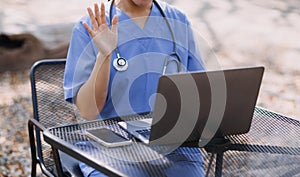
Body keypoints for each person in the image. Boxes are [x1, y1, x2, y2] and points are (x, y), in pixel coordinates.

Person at [64, 0, 205, 176]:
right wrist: (104, 55)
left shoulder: (177, 21)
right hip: (111, 147)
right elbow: (88, 111)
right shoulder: (89, 27)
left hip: (175, 146)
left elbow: (200, 92)